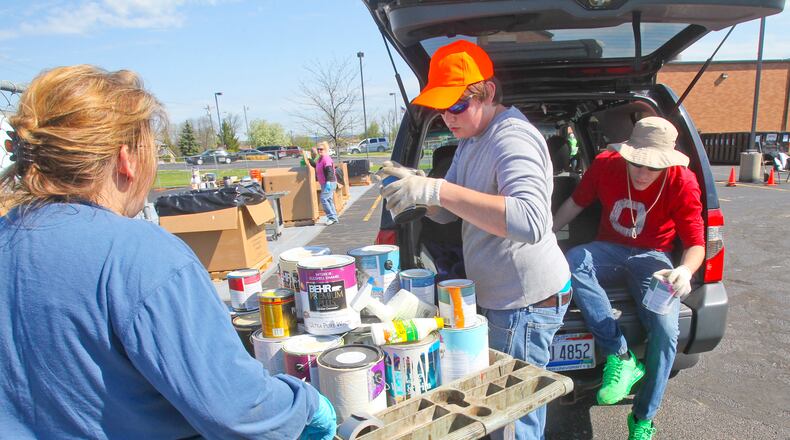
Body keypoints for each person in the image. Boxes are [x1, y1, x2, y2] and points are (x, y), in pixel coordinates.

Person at [0, 65, 336, 439]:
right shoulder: (139, 255)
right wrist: (304, 405)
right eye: (153, 149)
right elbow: (239, 410)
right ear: (126, 158)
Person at [378, 40, 571, 440]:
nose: (448, 116)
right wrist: (418, 189)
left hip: (524, 304)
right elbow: (452, 210)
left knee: (513, 422)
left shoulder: (511, 138)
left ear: (489, 93)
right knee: (499, 414)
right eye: (442, 107)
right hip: (502, 298)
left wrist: (437, 192)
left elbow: (531, 220)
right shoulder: (472, 140)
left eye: (458, 105)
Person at [553, 116, 705, 440]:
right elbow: (574, 204)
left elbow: (696, 244)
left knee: (666, 331)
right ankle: (620, 355)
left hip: (654, 258)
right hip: (609, 250)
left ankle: (643, 419)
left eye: (651, 167)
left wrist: (686, 270)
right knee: (575, 259)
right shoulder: (606, 165)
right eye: (636, 162)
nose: (641, 172)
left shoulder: (683, 181)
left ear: (666, 164)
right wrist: (545, 233)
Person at [307, 141, 339, 225]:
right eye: (318, 149)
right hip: (324, 183)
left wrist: (328, 182)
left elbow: (329, 171)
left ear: (325, 149)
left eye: (321, 149)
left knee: (324, 199)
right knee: (329, 200)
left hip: (329, 182)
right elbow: (316, 166)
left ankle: (331, 217)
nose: (319, 151)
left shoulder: (326, 158)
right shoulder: (320, 159)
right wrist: (309, 160)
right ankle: (334, 217)